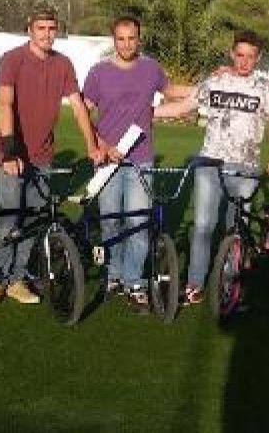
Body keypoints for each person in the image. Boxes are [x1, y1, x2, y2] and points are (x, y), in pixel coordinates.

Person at [0, 7, 105, 307]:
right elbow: (5, 104)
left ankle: (17, 279)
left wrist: (91, 146)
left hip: (43, 157)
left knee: (33, 221)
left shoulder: (63, 64)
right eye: (41, 28)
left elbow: (78, 107)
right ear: (29, 29)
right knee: (11, 217)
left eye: (52, 28)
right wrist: (10, 152)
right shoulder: (12, 59)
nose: (47, 34)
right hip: (13, 155)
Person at [156, 30, 269, 305]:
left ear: (258, 59)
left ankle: (231, 284)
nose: (244, 62)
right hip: (209, 165)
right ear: (232, 54)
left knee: (235, 231)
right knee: (203, 226)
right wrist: (142, 112)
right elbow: (182, 107)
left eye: (250, 57)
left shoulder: (266, 89)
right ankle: (194, 284)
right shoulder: (215, 81)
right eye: (239, 55)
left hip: (245, 169)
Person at [82, 16, 191, 313]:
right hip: (107, 161)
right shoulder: (99, 72)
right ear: (113, 39)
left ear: (139, 39)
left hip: (140, 159)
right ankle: (113, 275)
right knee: (110, 222)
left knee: (138, 224)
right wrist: (101, 145)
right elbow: (83, 113)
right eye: (121, 38)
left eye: (132, 38)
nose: (127, 44)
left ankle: (135, 282)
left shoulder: (150, 68)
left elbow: (171, 91)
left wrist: (209, 85)